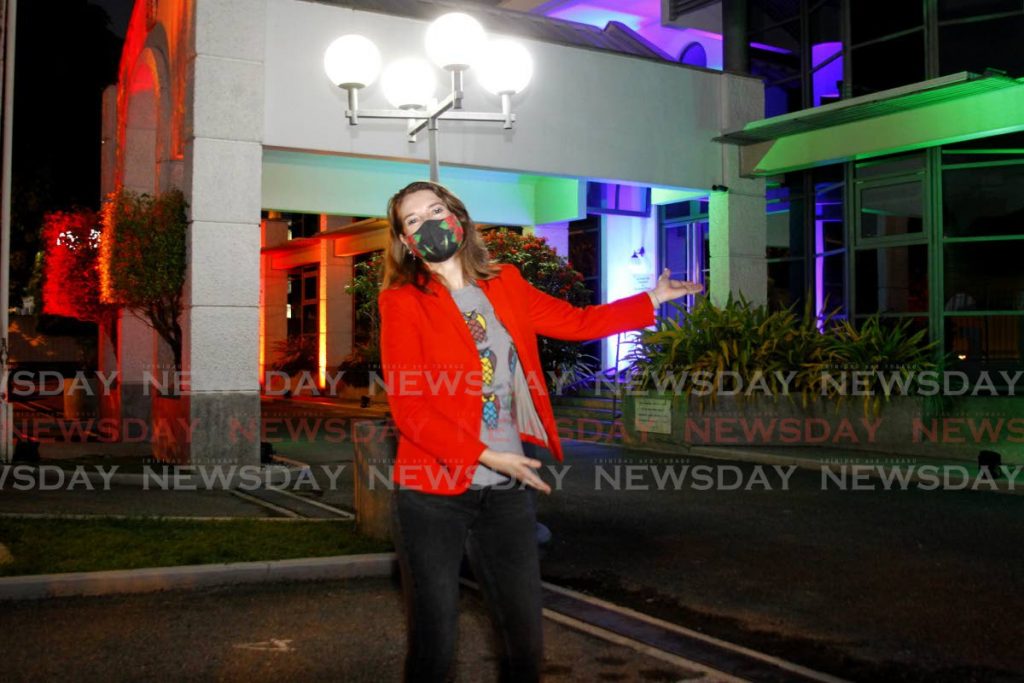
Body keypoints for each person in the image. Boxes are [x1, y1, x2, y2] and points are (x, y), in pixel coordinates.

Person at [377, 180, 702, 682]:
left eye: (435, 210)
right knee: (434, 643)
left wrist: (651, 300)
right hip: (432, 492)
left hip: (509, 490)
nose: (428, 224)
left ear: (458, 217)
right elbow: (410, 407)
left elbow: (576, 321)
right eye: (413, 221)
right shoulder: (403, 302)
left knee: (525, 642)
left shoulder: (504, 283)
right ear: (405, 241)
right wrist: (485, 454)